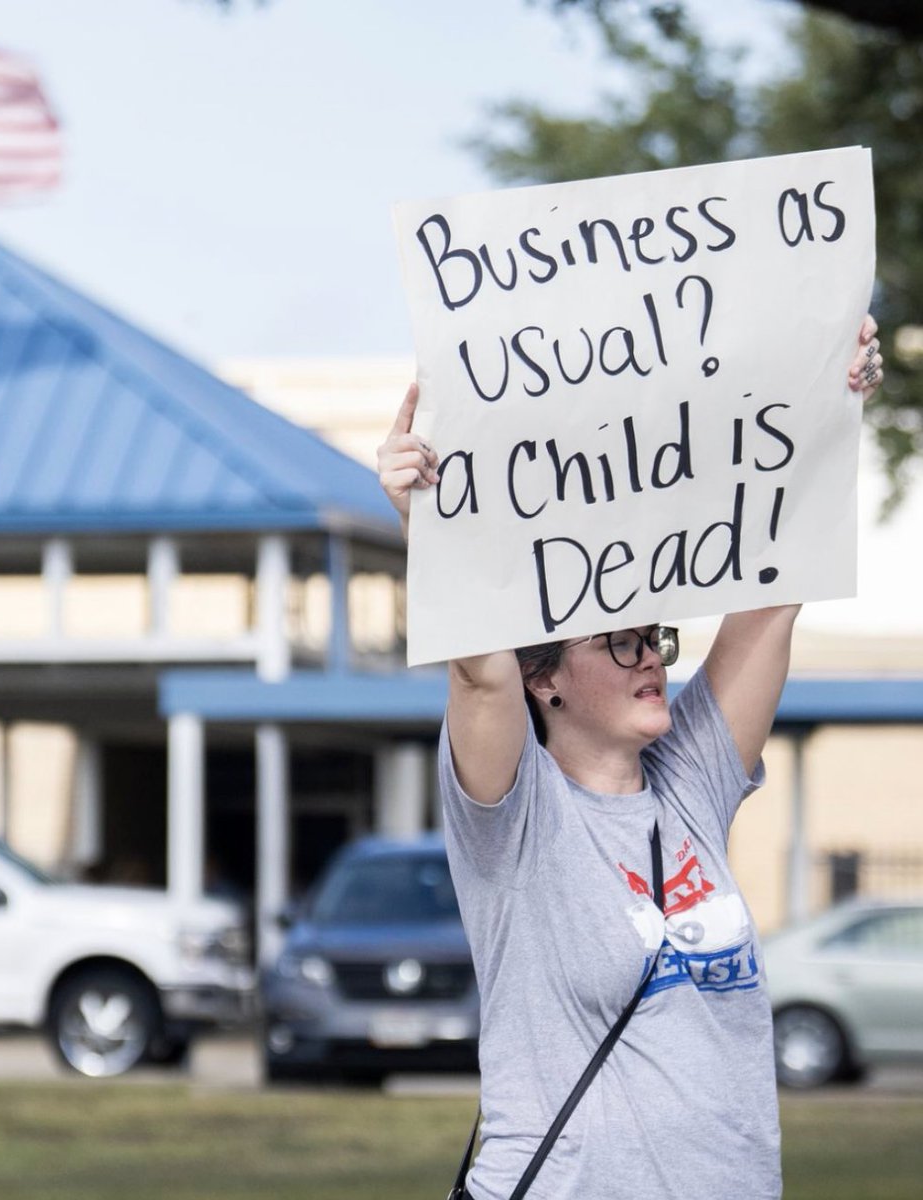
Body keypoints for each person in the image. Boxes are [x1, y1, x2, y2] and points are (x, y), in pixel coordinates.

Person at [376, 318, 882, 1200]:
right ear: (545, 680)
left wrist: (826, 401)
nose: (650, 656)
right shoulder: (516, 818)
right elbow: (479, 674)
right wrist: (428, 519)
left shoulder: (689, 785)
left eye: (653, 636)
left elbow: (776, 591)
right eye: (618, 641)